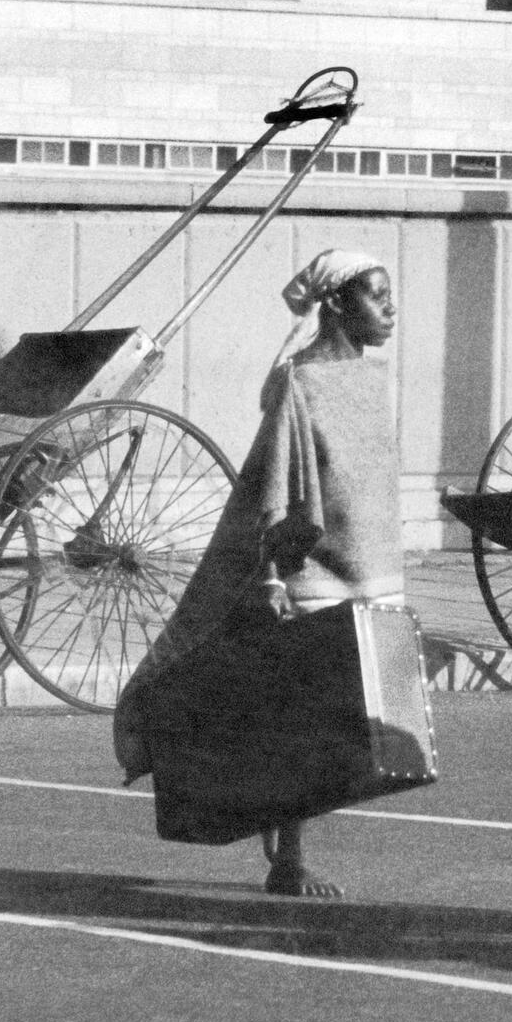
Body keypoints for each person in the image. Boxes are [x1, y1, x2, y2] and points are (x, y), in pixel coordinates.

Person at [114, 249, 403, 898]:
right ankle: (289, 858)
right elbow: (275, 487)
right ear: (335, 304)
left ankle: (288, 849)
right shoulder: (301, 384)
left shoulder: (372, 381)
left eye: (390, 296)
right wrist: (272, 576)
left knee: (341, 723)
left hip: (366, 578)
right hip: (304, 572)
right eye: (376, 295)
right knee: (298, 721)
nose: (390, 310)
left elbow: (371, 490)